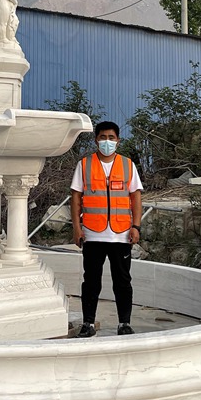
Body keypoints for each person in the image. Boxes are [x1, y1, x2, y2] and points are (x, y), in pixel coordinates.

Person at [70, 121, 143, 337]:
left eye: (111, 138)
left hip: (121, 234)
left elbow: (136, 197)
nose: (107, 142)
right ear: (96, 140)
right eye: (103, 137)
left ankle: (124, 323)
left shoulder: (128, 165)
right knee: (91, 281)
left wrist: (136, 226)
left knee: (122, 281)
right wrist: (76, 227)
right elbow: (76, 198)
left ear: (118, 141)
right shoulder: (84, 165)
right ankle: (88, 324)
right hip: (93, 233)